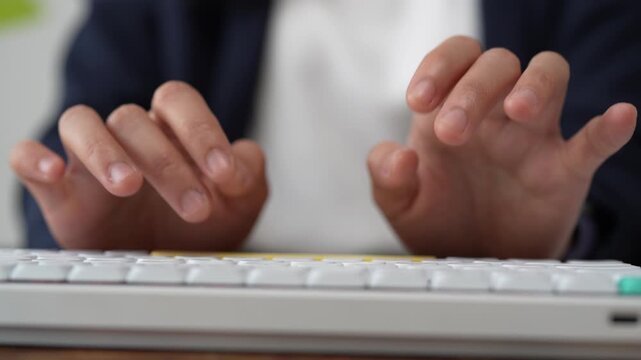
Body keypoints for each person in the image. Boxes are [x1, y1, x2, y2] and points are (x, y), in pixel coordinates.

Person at [9, 0, 641, 264]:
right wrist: (111, 247)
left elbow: (620, 178)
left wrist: (562, 244)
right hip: (207, 326)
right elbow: (74, 167)